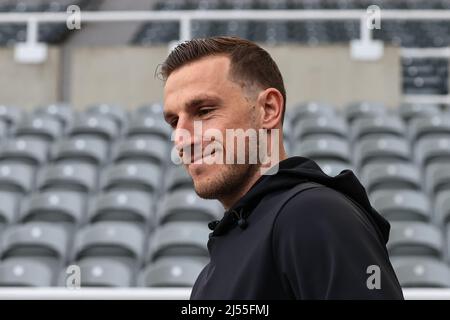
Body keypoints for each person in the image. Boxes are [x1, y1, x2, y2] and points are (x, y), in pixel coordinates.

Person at [161, 36, 404, 300]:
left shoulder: (313, 214)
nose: (182, 138)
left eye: (205, 111)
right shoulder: (225, 253)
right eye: (174, 122)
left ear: (268, 109)